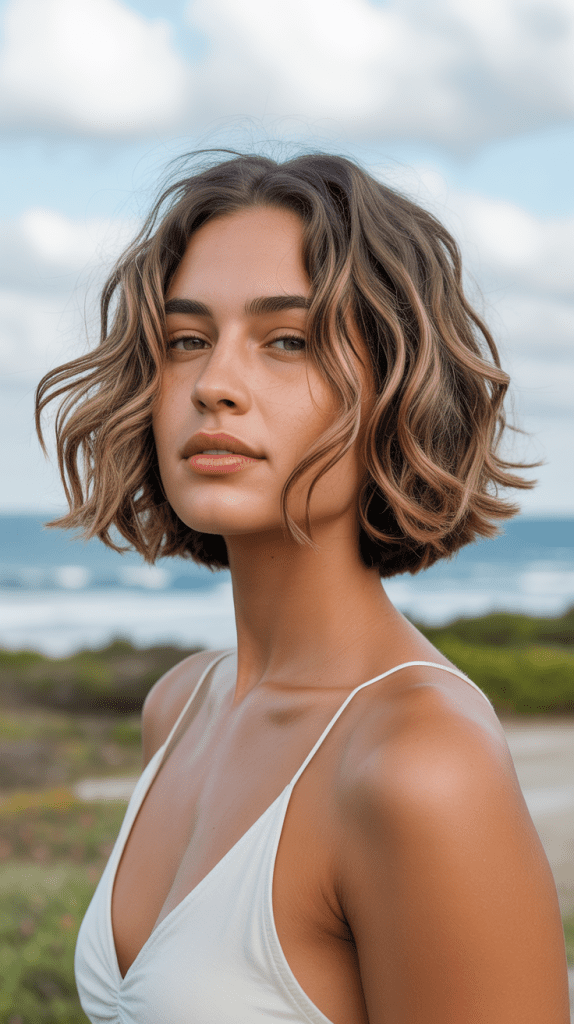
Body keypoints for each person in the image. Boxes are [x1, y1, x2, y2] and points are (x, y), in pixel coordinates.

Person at [36, 151, 570, 1023]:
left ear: (397, 386)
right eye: (186, 340)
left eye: (287, 340)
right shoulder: (180, 706)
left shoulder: (421, 766)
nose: (215, 385)